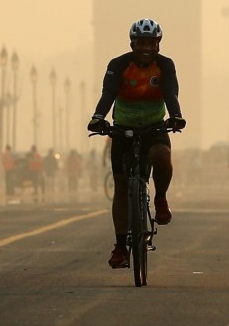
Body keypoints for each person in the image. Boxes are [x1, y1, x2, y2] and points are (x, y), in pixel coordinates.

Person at [87, 18, 186, 270]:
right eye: (141, 43)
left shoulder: (165, 66)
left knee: (162, 155)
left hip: (154, 127)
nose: (146, 48)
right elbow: (108, 93)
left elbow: (169, 93)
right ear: (132, 44)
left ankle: (161, 198)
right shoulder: (118, 65)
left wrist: (175, 116)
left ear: (158, 45)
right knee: (121, 186)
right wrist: (98, 117)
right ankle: (121, 246)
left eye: (151, 43)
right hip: (122, 129)